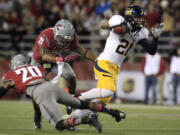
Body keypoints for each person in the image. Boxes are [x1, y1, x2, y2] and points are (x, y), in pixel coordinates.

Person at [68, 5, 164, 119]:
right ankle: (76, 98)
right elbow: (103, 25)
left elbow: (151, 50)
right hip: (104, 62)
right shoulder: (119, 19)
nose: (141, 20)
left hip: (114, 68)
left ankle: (71, 119)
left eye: (142, 17)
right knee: (107, 91)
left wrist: (156, 38)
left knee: (102, 102)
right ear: (131, 17)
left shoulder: (141, 32)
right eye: (138, 17)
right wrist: (123, 27)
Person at [0, 54, 126, 133]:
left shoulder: (10, 74)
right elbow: (46, 80)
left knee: (60, 125)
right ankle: (114, 112)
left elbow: (3, 89)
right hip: (51, 86)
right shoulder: (37, 68)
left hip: (40, 92)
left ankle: (87, 119)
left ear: (15, 64)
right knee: (82, 104)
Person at [31, 19, 97, 129]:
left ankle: (70, 100)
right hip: (40, 61)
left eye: (67, 40)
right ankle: (37, 114)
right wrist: (59, 58)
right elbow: (44, 56)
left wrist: (98, 60)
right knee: (35, 89)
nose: (65, 43)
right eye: (62, 39)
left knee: (71, 77)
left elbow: (82, 51)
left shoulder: (71, 38)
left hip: (57, 60)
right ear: (56, 33)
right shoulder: (46, 36)